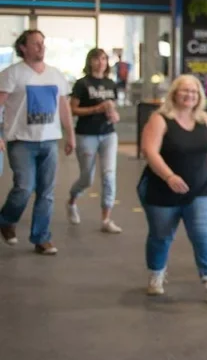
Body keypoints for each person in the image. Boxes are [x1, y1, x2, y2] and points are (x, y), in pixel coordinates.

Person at [138, 74, 207, 302]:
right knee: (161, 236)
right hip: (162, 190)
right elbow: (149, 151)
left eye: (194, 91)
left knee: (204, 234)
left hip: (200, 188)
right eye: (184, 90)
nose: (189, 95)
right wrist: (169, 176)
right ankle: (156, 274)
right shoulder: (160, 119)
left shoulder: (204, 119)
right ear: (174, 93)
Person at [0, 29, 75, 255]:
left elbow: (64, 106)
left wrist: (70, 133)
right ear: (23, 47)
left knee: (47, 192)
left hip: (50, 140)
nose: (41, 47)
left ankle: (41, 238)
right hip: (21, 140)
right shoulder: (12, 74)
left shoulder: (55, 75)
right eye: (35, 44)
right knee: (24, 187)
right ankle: (6, 220)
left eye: (43, 43)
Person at [67, 47, 122, 234]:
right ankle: (72, 200)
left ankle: (106, 219)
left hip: (108, 134)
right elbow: (73, 110)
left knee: (109, 174)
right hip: (86, 134)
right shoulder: (82, 84)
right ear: (90, 61)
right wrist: (95, 109)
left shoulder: (110, 83)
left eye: (104, 59)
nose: (101, 63)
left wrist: (113, 113)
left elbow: (112, 106)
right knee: (87, 178)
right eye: (97, 59)